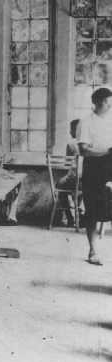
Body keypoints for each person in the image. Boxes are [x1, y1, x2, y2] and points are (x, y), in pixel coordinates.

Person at [77, 88, 112, 265]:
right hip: (93, 169)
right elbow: (84, 150)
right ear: (98, 103)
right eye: (107, 102)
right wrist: (107, 151)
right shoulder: (86, 122)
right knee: (92, 211)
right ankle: (93, 251)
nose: (110, 105)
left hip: (110, 166)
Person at [56, 119, 83, 227]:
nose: (69, 132)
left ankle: (70, 218)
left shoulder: (71, 144)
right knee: (81, 191)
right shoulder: (89, 144)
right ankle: (80, 216)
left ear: (76, 130)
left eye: (71, 129)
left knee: (59, 186)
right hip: (85, 182)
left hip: (73, 180)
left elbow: (66, 164)